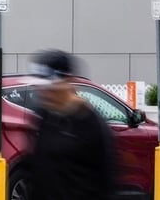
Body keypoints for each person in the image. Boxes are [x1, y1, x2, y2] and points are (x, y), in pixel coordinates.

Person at [27, 49, 116, 200]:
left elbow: (105, 181)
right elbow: (38, 173)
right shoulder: (44, 117)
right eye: (41, 87)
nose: (45, 93)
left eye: (51, 87)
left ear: (67, 81)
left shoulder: (91, 124)